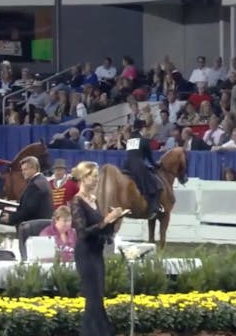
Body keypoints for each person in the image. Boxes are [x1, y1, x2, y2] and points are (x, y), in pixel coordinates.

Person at [70, 161, 125, 336]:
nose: (96, 181)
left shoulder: (94, 201)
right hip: (85, 254)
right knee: (93, 298)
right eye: (93, 177)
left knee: (98, 296)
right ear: (83, 177)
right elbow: (83, 233)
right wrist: (106, 220)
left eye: (97, 178)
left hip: (97, 252)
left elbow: (102, 230)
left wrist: (115, 219)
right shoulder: (77, 202)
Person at [123, 119, 163, 220]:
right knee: (155, 185)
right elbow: (149, 158)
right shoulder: (144, 141)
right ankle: (154, 208)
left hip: (127, 165)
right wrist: (156, 165)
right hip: (138, 165)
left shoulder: (130, 140)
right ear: (143, 128)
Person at [0, 156, 54, 226]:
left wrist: (10, 218)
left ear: (34, 169)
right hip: (42, 225)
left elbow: (28, 211)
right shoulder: (42, 181)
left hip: (34, 227)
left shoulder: (35, 185)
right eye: (22, 170)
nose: (23, 172)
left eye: (25, 169)